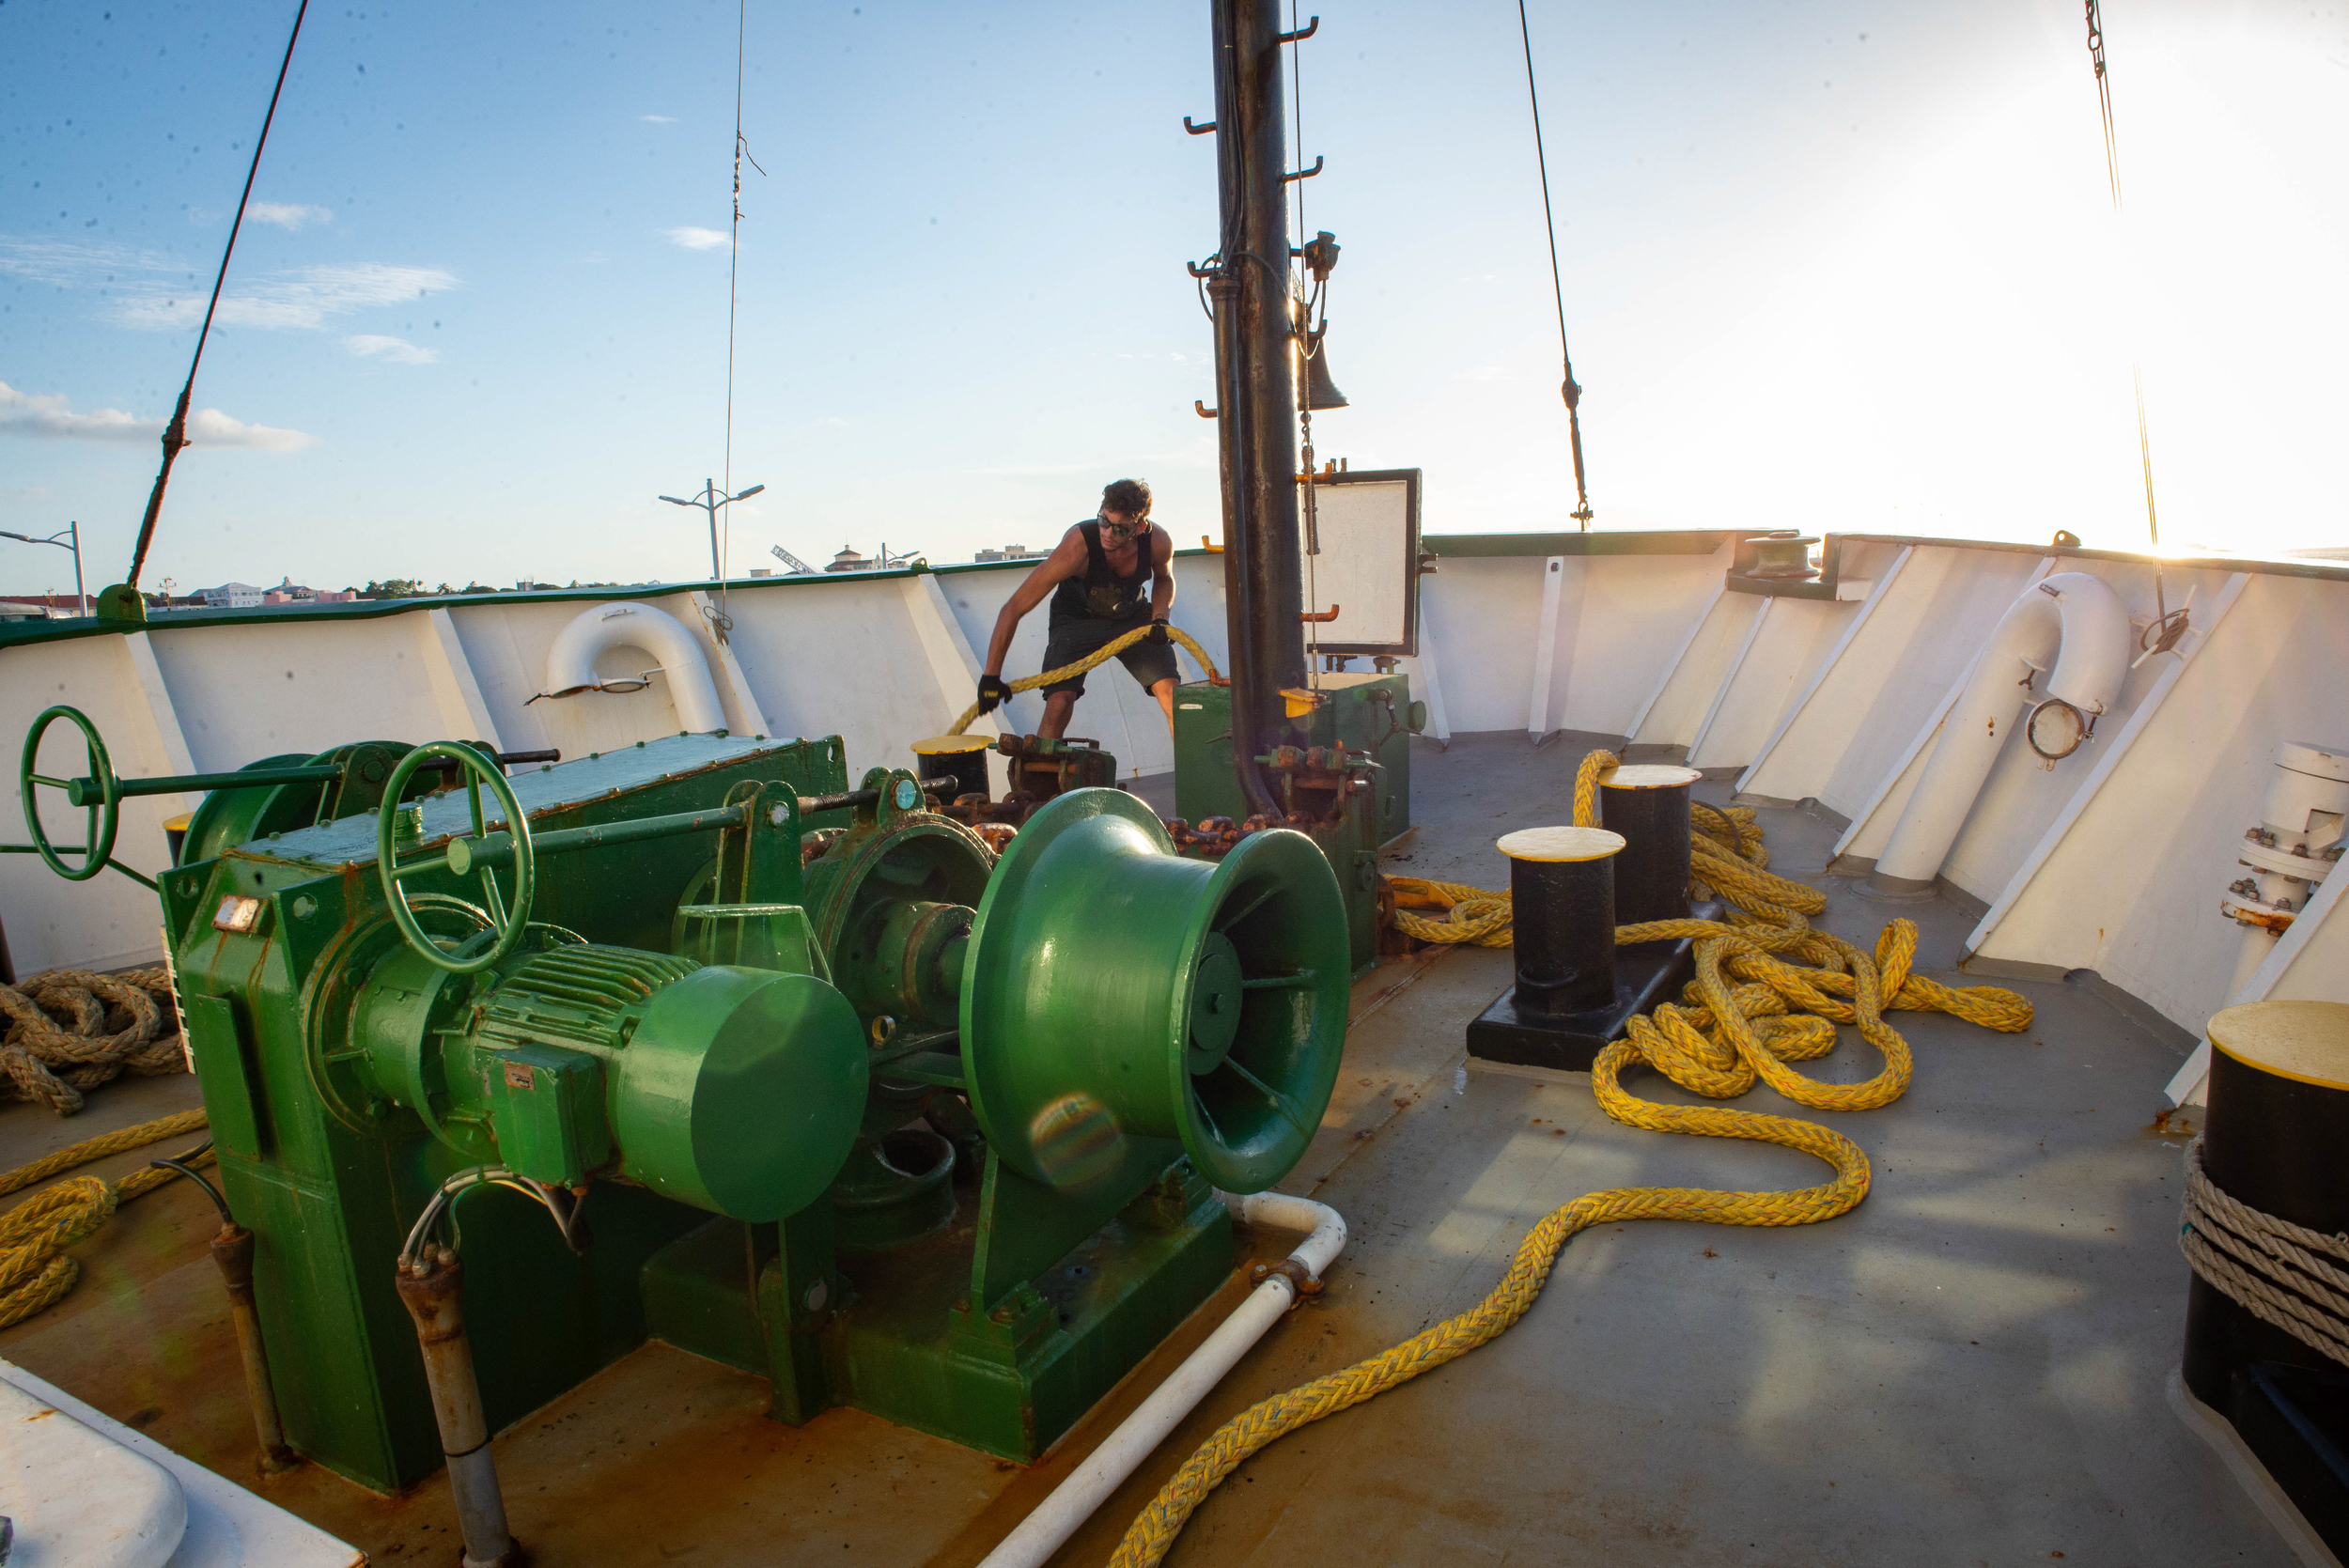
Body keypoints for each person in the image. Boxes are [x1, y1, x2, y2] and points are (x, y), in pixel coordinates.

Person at [977, 478, 1177, 737]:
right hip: (1075, 619)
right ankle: (1040, 776)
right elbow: (1013, 608)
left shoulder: (1158, 543)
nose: (1107, 533)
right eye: (1103, 521)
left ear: (1139, 527)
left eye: (1119, 529)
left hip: (1131, 616)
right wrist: (991, 676)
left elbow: (1164, 579)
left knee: (1173, 695)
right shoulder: (1078, 545)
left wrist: (1160, 618)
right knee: (1059, 703)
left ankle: (1194, 776)